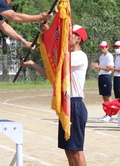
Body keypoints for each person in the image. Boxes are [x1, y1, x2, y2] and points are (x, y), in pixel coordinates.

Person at [20, 24, 88, 166]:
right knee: (68, 149)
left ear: (79, 39)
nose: (67, 37)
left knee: (76, 150)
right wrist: (33, 64)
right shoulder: (67, 56)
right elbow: (52, 76)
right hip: (66, 104)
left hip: (74, 104)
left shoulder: (79, 56)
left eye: (70, 34)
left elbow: (58, 57)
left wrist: (47, 36)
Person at [91, 41, 114, 122]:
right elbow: (101, 67)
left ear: (107, 47)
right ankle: (107, 113)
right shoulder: (101, 56)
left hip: (106, 76)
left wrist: (99, 67)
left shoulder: (109, 56)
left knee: (108, 96)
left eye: (103, 47)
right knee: (104, 96)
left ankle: (110, 114)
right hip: (101, 75)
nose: (102, 49)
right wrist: (96, 66)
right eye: (101, 47)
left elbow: (109, 68)